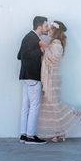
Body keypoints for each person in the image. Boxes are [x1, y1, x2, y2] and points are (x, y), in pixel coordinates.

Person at [37, 20, 81, 142]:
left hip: (53, 79)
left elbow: (53, 59)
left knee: (55, 105)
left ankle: (80, 114)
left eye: (51, 29)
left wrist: (45, 49)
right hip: (49, 77)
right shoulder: (53, 43)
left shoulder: (57, 45)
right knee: (50, 106)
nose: (49, 31)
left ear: (55, 31)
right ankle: (58, 133)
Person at [17, 16, 50, 144]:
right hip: (32, 76)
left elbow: (20, 55)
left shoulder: (30, 37)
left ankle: (24, 135)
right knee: (34, 106)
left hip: (26, 76)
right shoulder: (32, 37)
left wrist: (37, 49)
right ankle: (31, 136)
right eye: (46, 26)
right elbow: (23, 56)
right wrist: (40, 50)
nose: (47, 29)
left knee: (26, 106)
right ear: (39, 26)